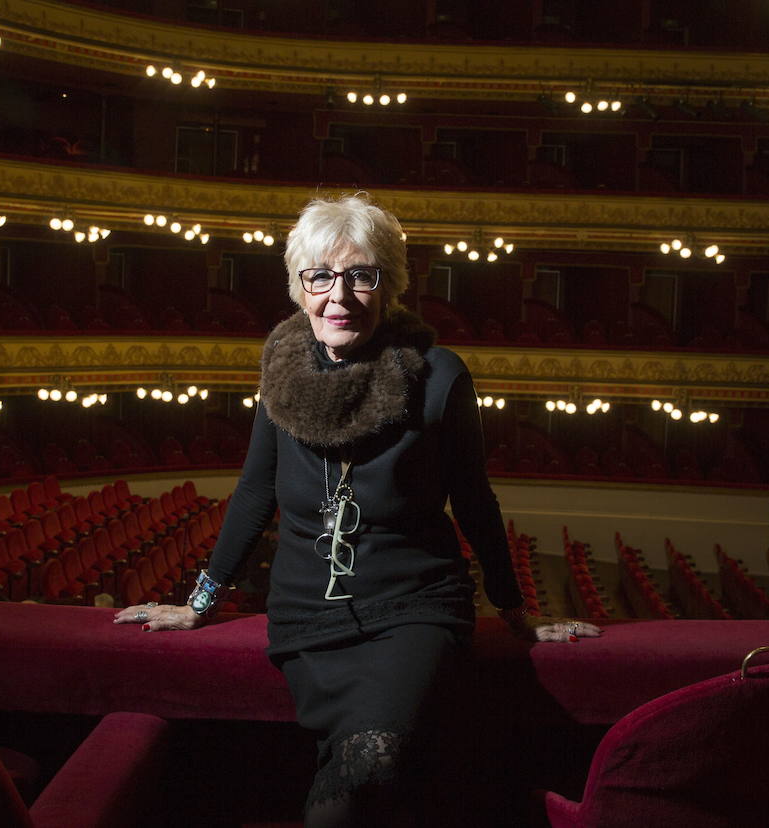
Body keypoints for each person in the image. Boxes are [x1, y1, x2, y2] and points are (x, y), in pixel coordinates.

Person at [114, 193, 601, 826]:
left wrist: (514, 611)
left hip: (413, 608)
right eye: (319, 276)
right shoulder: (280, 373)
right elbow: (256, 491)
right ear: (299, 287)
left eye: (360, 275)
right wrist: (201, 601)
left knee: (367, 773)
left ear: (389, 285)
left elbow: (474, 499)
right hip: (305, 618)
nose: (338, 295)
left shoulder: (440, 375)